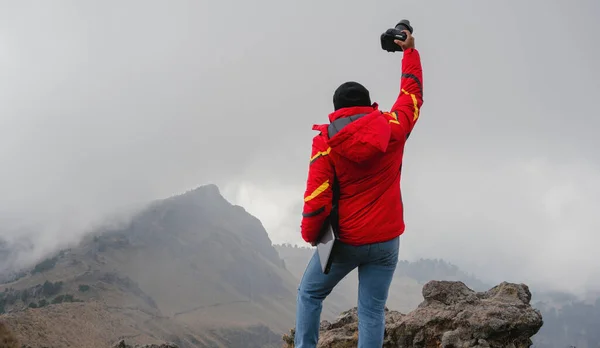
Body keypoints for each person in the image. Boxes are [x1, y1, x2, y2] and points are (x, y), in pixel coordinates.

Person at [294, 30, 423, 347]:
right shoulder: (393, 128)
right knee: (372, 311)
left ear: (337, 111)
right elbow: (412, 97)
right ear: (368, 106)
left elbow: (316, 198)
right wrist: (409, 52)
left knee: (310, 293)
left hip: (346, 241)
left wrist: (313, 237)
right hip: (386, 240)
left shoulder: (326, 143)